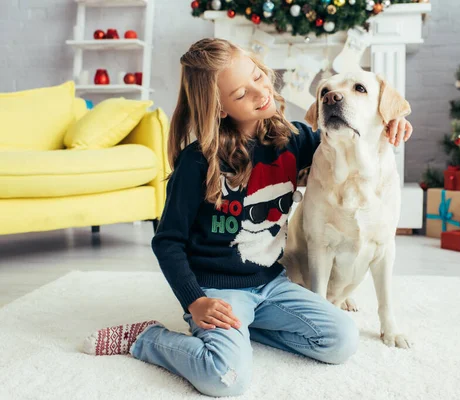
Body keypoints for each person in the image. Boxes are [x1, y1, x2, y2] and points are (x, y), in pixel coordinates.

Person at [82, 38, 413, 397]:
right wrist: (195, 300)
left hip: (272, 284)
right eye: (241, 93)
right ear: (220, 108)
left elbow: (347, 135)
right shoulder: (198, 162)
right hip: (219, 291)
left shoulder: (296, 140)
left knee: (342, 341)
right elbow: (167, 242)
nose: (260, 92)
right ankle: (147, 338)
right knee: (224, 377)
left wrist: (393, 122)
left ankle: (245, 328)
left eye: (258, 76)